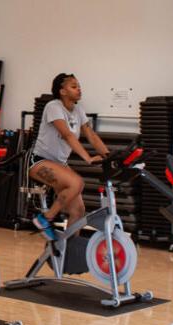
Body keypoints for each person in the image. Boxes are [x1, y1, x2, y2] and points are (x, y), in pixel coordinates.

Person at [28, 73, 110, 239]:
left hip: (60, 163)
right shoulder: (53, 107)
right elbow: (67, 135)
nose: (78, 89)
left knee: (78, 212)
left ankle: (68, 247)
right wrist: (87, 158)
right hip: (39, 162)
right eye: (73, 86)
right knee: (77, 183)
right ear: (62, 91)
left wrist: (109, 156)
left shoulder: (78, 110)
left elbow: (91, 134)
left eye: (79, 86)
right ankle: (45, 218)